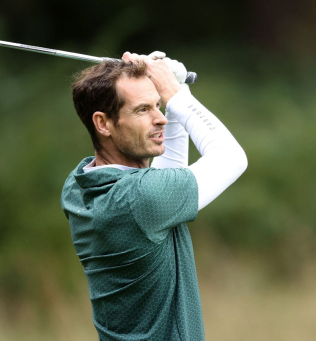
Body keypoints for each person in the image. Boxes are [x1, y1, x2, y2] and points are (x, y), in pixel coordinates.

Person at [60, 52, 247, 341]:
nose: (160, 119)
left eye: (157, 105)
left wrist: (168, 94)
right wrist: (176, 93)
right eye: (142, 110)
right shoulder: (140, 198)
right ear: (103, 124)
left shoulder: (77, 186)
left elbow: (166, 173)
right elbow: (232, 158)